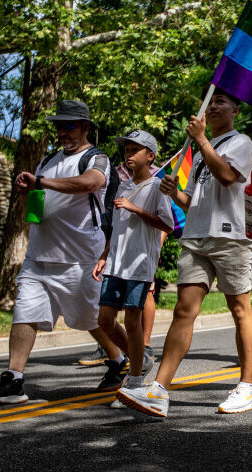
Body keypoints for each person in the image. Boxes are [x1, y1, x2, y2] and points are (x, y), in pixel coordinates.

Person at [117, 91, 252, 417]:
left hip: (230, 238)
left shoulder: (242, 143)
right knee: (184, 311)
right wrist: (175, 193)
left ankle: (248, 386)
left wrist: (201, 140)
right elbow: (191, 202)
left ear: (235, 110)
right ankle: (159, 390)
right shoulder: (197, 156)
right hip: (195, 238)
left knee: (239, 309)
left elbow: (226, 176)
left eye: (220, 103)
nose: (212, 107)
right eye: (211, 103)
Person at [0, 100, 120, 404]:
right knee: (24, 312)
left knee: (88, 318)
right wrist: (31, 193)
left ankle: (120, 361)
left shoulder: (96, 158)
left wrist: (40, 181)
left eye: (69, 126)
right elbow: (39, 203)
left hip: (79, 258)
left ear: (85, 127)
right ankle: (13, 381)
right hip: (39, 256)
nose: (62, 132)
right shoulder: (48, 160)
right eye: (58, 126)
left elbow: (91, 183)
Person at [92, 130, 173, 391]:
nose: (128, 154)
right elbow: (116, 228)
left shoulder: (157, 188)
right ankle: (142, 359)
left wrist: (136, 209)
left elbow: (167, 225)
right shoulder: (124, 186)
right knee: (104, 320)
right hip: (116, 263)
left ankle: (136, 380)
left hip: (139, 264)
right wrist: (104, 256)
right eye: (126, 150)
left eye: (134, 150)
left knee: (132, 321)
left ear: (150, 156)